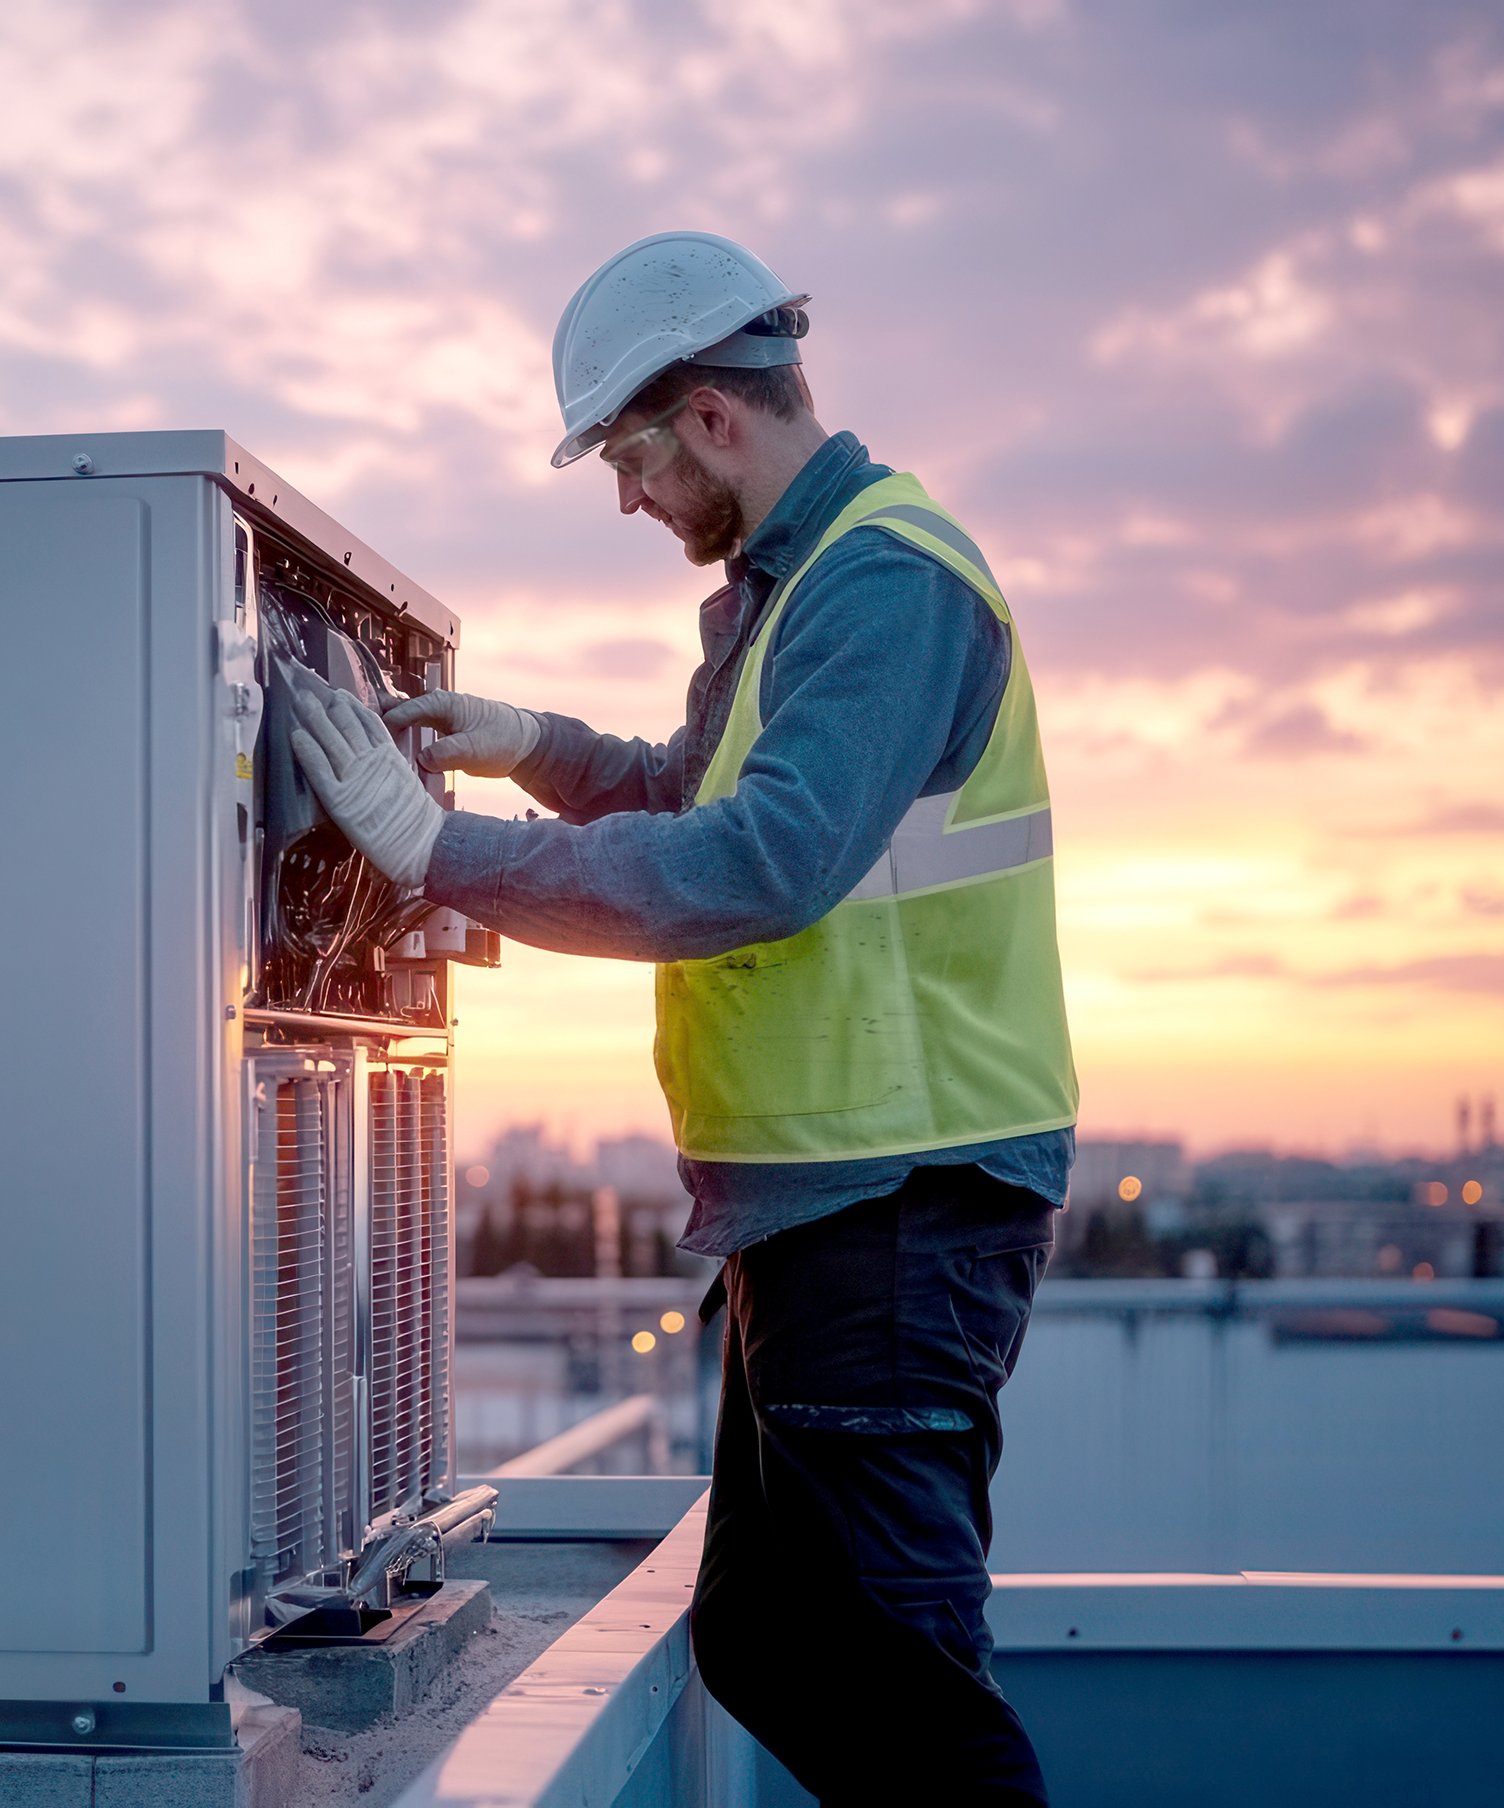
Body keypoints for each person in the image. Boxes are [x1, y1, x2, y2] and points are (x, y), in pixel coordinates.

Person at [287, 230, 1078, 1805]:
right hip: (825, 1208)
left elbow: (758, 858)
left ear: (709, 417)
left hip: (899, 1208)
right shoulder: (802, 582)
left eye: (629, 460)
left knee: (910, 1687)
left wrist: (437, 850)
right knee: (768, 1637)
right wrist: (533, 744)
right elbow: (694, 791)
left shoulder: (885, 583)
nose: (628, 499)